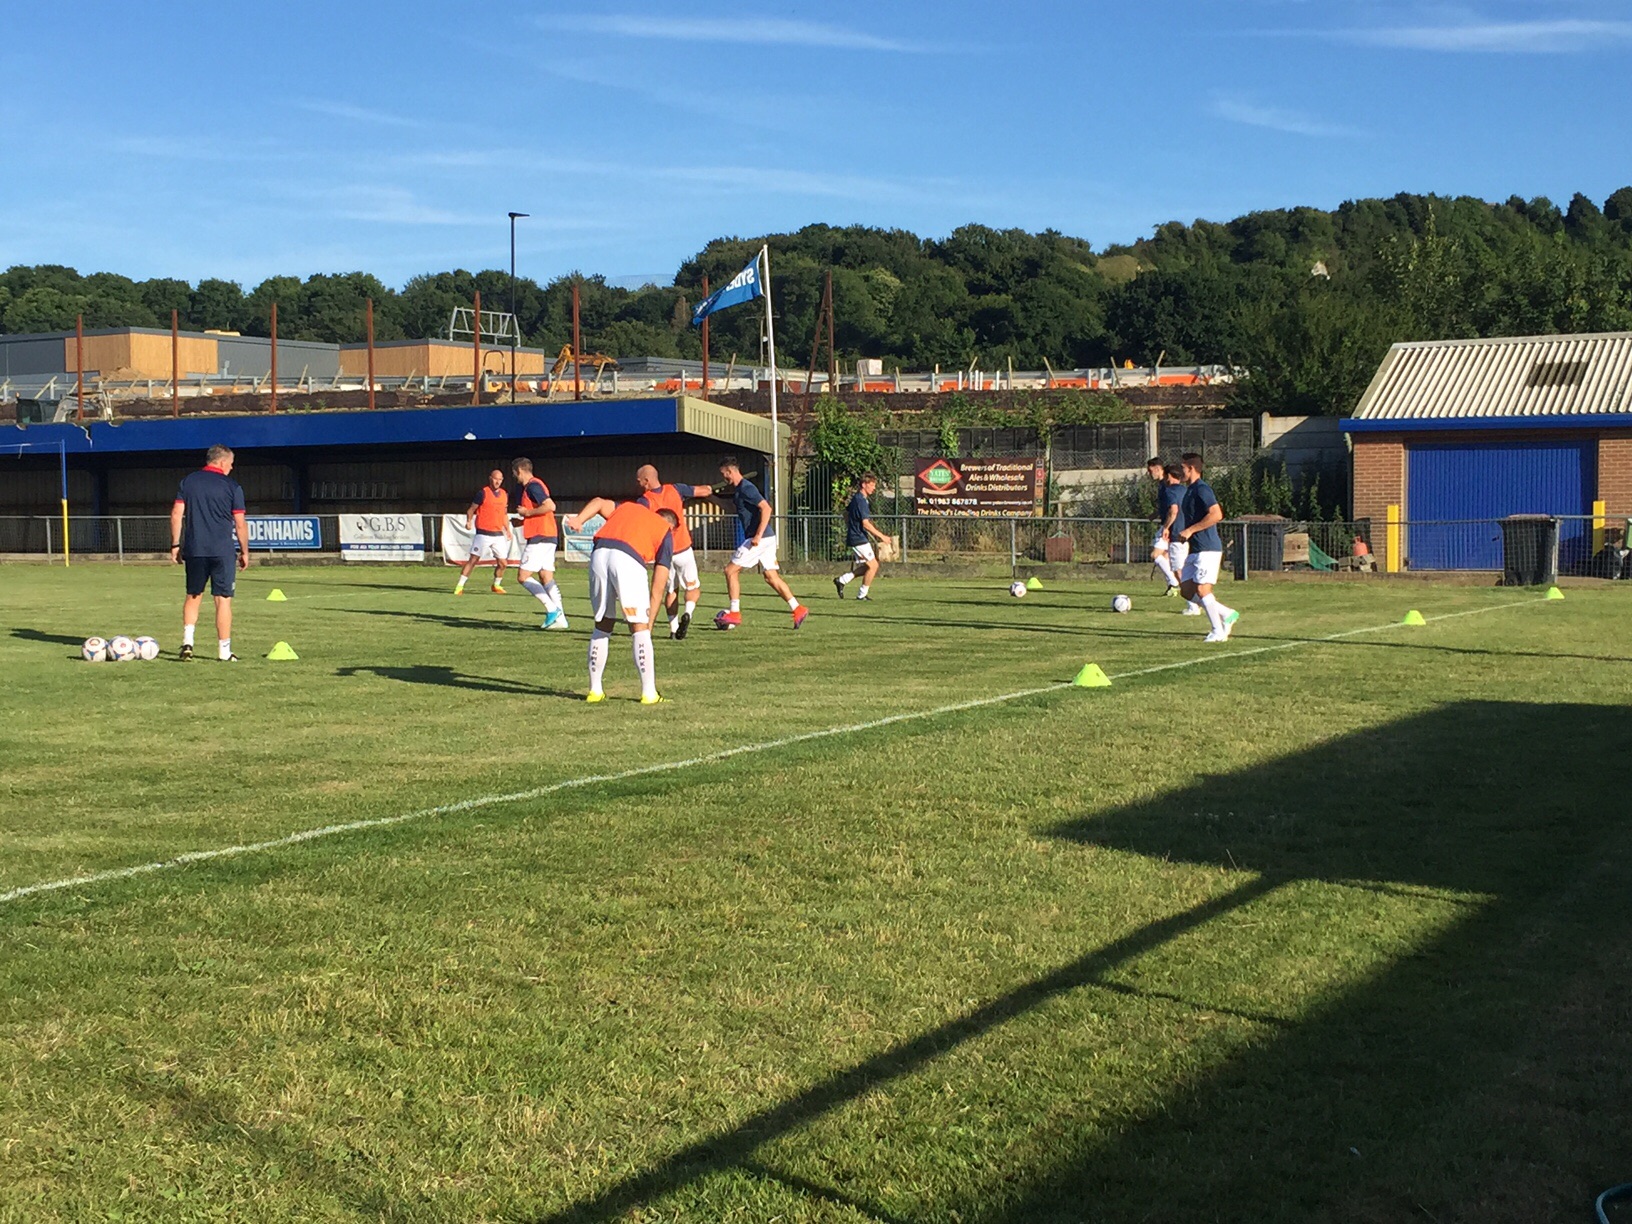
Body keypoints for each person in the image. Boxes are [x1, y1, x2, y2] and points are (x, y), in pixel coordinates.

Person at [562, 497, 678, 704]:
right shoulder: (665, 532)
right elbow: (658, 586)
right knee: (639, 627)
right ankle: (649, 693)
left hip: (599, 553)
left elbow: (599, 502)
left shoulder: (628, 508)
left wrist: (579, 519)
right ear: (670, 525)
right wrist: (649, 622)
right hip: (627, 558)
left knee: (602, 624)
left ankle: (595, 691)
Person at [169, 443, 249, 662]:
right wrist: (245, 551)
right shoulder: (232, 486)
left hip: (195, 549)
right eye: (231, 464)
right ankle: (224, 651)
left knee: (193, 595)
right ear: (222, 462)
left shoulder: (188, 482)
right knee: (222, 600)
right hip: (222, 551)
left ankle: (188, 642)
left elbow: (176, 514)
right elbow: (240, 523)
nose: (231, 468)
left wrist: (175, 544)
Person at [715, 455, 807, 629]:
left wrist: (757, 535)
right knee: (771, 577)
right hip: (767, 538)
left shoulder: (747, 488)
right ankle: (798, 608)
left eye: (723, 474)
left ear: (729, 471)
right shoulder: (739, 490)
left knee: (730, 570)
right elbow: (733, 508)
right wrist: (710, 498)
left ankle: (734, 613)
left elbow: (766, 508)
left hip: (760, 538)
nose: (723, 478)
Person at [634, 463, 708, 639]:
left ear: (646, 480)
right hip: (683, 548)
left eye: (639, 481)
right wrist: (710, 489)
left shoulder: (644, 501)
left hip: (663, 552)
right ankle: (688, 612)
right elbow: (704, 491)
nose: (639, 485)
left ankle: (674, 629)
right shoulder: (676, 489)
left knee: (671, 591)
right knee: (692, 587)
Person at [1175, 452, 1240, 642]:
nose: (1180, 471)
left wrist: (1190, 530)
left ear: (1191, 468)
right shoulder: (1189, 490)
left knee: (1203, 590)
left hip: (1208, 548)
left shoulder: (1202, 489)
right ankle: (1226, 613)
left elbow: (1216, 514)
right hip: (1195, 549)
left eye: (1182, 468)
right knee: (1186, 591)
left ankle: (1218, 632)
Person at [511, 458, 567, 629]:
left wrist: (527, 513)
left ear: (519, 470)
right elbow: (542, 511)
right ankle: (561, 619)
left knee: (523, 576)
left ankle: (552, 610)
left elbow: (550, 506)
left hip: (540, 537)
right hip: (549, 535)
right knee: (546, 577)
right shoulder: (536, 485)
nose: (514, 477)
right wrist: (523, 521)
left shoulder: (532, 486)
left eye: (514, 473)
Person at [454, 469, 513, 595]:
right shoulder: (483, 493)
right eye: (495, 479)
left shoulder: (504, 494)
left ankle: (496, 585)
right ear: (490, 478)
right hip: (483, 533)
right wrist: (469, 521)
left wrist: (507, 529)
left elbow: (504, 514)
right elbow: (471, 510)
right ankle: (459, 586)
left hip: (498, 534)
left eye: (500, 479)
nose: (497, 482)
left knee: (503, 563)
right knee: (473, 560)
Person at [833, 472, 891, 601]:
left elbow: (846, 513)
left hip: (857, 536)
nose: (874, 488)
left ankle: (842, 580)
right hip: (858, 538)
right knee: (874, 566)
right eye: (872, 485)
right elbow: (866, 523)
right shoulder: (861, 501)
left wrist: (851, 526)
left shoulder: (857, 498)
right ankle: (862, 595)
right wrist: (882, 536)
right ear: (864, 485)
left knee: (869, 566)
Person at [1160, 463, 1205, 617]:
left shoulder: (1170, 491)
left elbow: (1173, 510)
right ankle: (1195, 601)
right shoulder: (1186, 490)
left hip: (1177, 535)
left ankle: (1194, 605)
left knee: (1179, 570)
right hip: (1187, 534)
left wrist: (1166, 527)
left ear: (1168, 476)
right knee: (1185, 569)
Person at [1149, 456, 1182, 594]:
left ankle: (1174, 583)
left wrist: (1166, 527)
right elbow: (1166, 505)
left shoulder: (1167, 485)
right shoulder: (1163, 485)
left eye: (1150, 470)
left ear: (1158, 469)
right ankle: (1172, 586)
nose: (1149, 474)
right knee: (1165, 556)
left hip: (1170, 526)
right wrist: (1156, 514)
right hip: (1171, 525)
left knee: (1155, 554)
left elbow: (1173, 507)